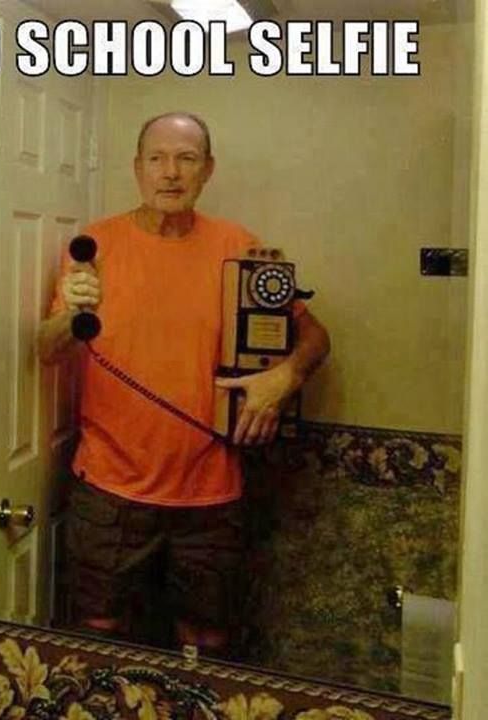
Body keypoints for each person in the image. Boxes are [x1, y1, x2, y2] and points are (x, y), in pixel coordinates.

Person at [38, 111, 330, 655]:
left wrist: (284, 378)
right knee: (97, 638)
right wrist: (67, 318)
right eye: (157, 158)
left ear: (208, 169)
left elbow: (315, 336)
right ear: (137, 168)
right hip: (108, 492)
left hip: (212, 495)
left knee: (208, 642)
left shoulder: (238, 245)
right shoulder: (93, 247)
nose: (170, 172)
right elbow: (48, 348)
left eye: (186, 158)